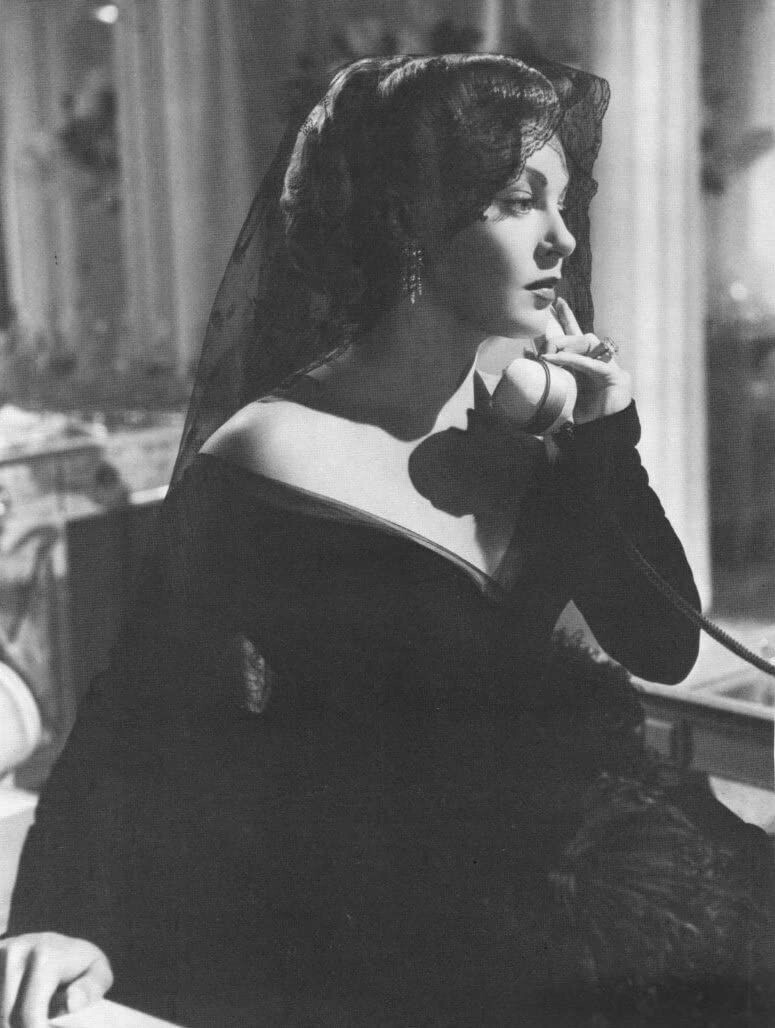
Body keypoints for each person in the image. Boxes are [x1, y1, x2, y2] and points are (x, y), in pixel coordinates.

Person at [1, 54, 772, 1027]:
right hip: (407, 912)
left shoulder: (531, 421)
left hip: (601, 845)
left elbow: (662, 644)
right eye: (516, 202)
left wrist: (604, 436)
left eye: (562, 201)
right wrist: (62, 918)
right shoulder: (268, 452)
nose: (563, 236)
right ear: (412, 219)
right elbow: (142, 707)